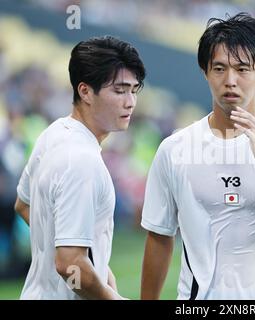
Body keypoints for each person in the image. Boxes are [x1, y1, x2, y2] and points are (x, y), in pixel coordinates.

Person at [140, 12, 255, 300]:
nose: (230, 80)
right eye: (219, 68)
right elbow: (159, 236)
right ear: (205, 71)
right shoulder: (175, 149)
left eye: (242, 69)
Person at [14, 35, 146, 299]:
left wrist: (93, 260)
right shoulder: (82, 161)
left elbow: (24, 205)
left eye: (134, 89)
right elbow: (69, 264)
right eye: (119, 90)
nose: (130, 101)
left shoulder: (53, 134)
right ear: (85, 91)